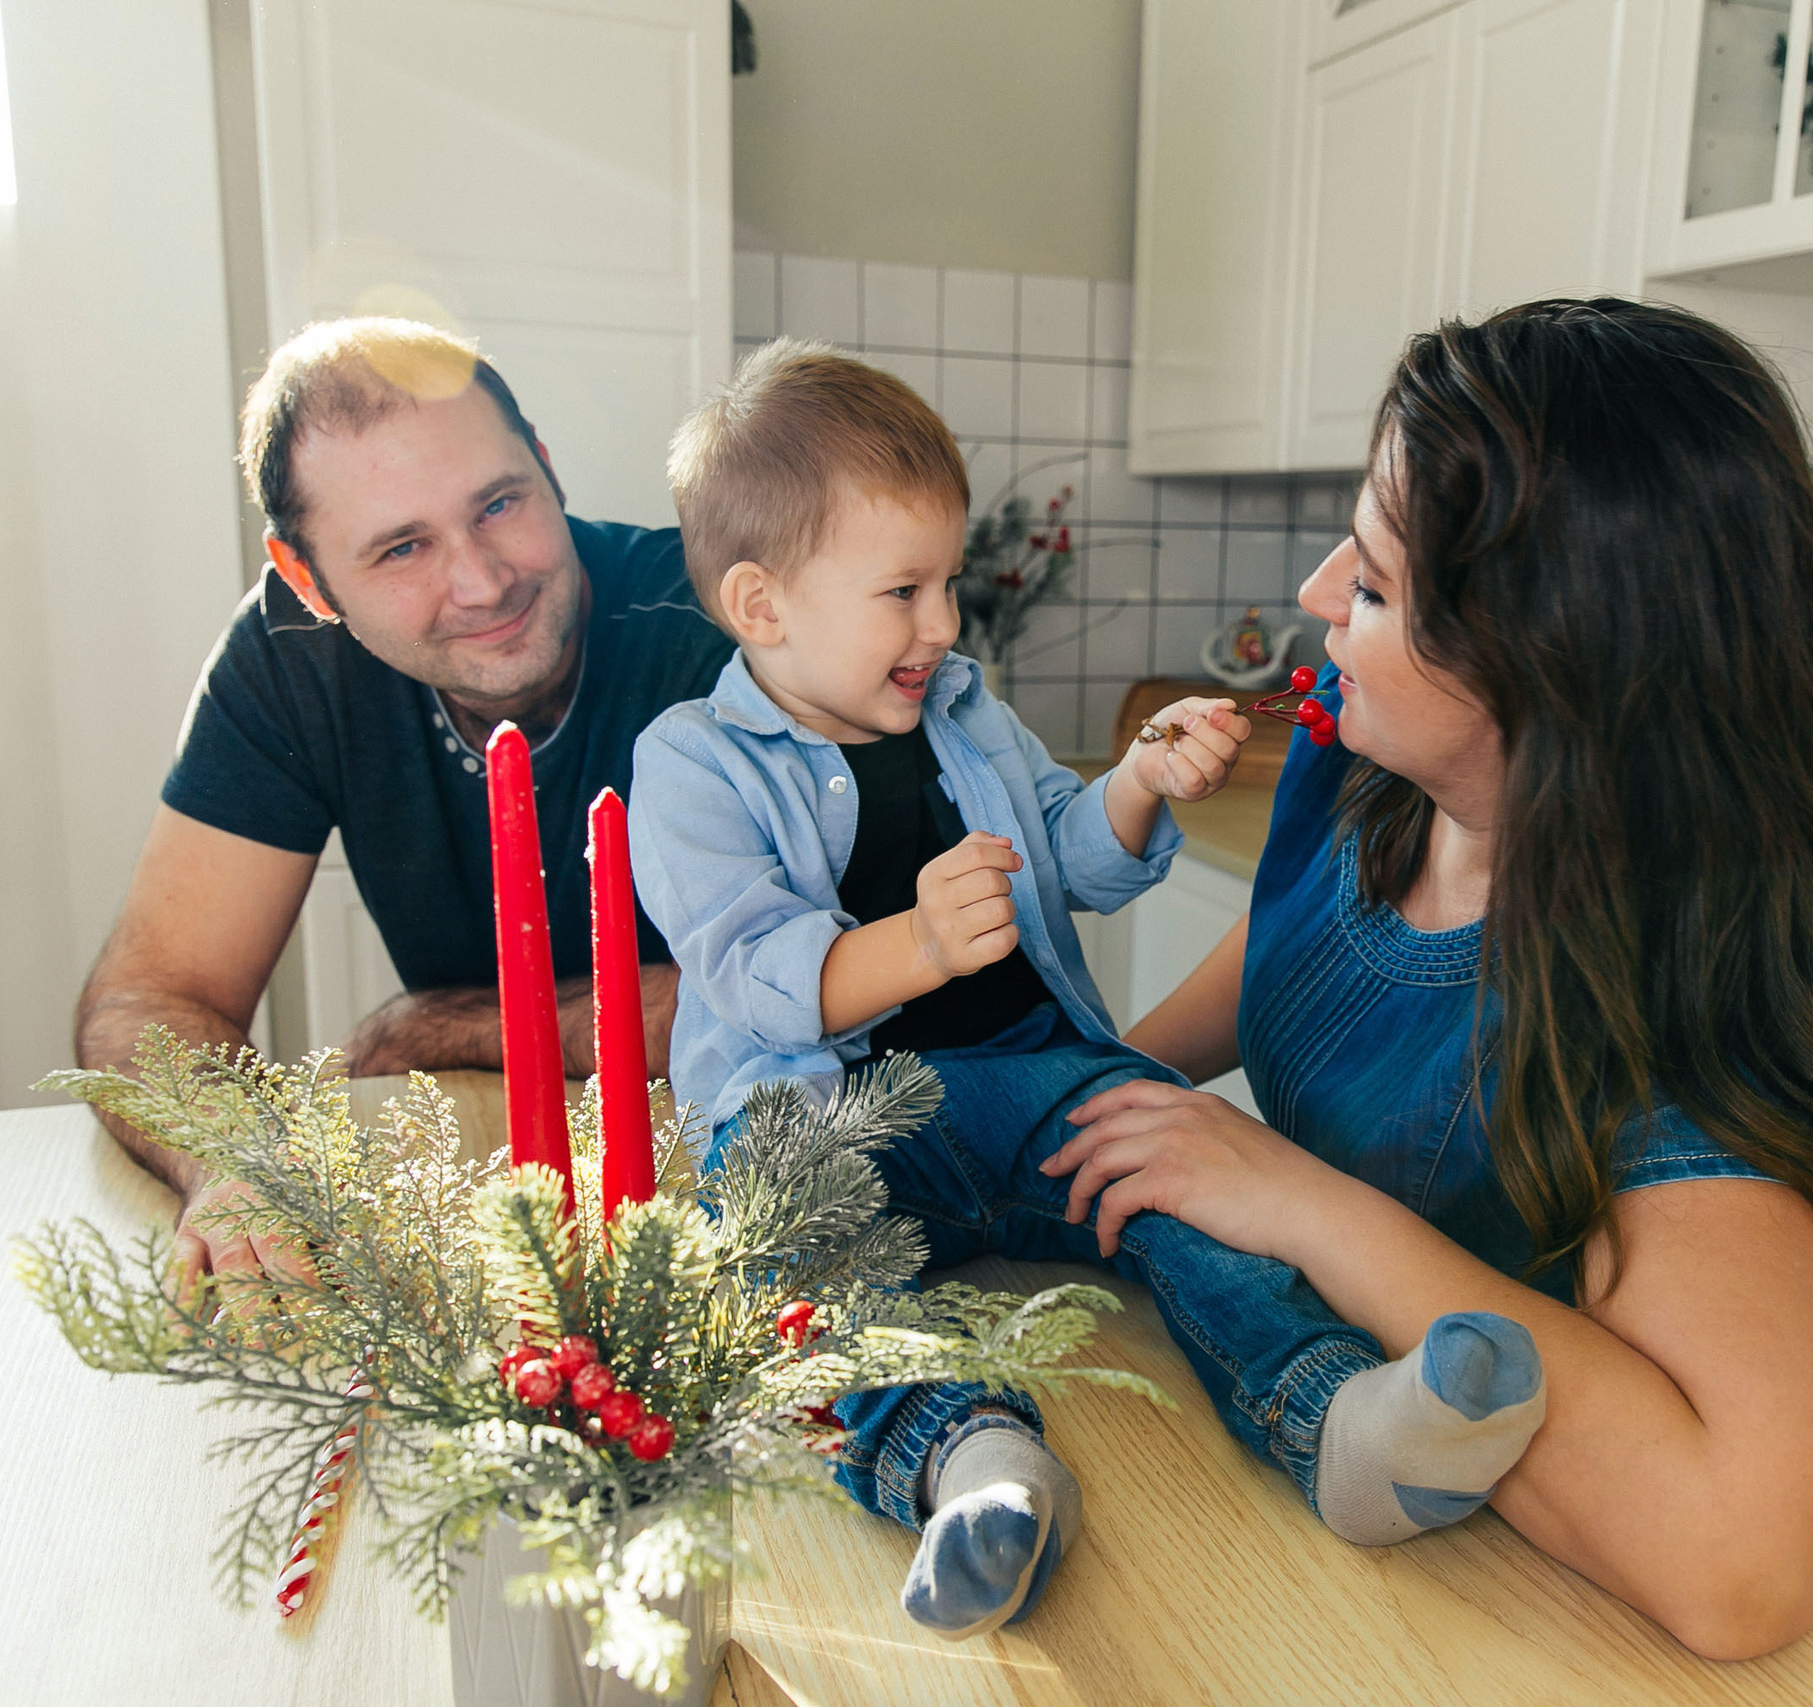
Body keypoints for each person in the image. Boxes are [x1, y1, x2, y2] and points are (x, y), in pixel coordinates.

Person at [1036, 300, 1813, 1659]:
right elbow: (1306, 944)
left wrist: (1288, 1194)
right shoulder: (1366, 760)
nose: (1320, 592)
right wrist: (1108, 1086)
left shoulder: (1676, 1016)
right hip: (1271, 1475)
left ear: (1556, 661)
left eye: (1384, 586)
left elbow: (1747, 1568)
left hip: (1490, 1597)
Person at [630, 341, 1550, 1642]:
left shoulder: (962, 709)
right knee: (773, 1257)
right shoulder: (694, 762)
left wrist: (1134, 783)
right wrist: (917, 944)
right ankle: (978, 1466)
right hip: (824, 1118)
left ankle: (1333, 1414)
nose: (944, 624)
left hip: (1021, 1079)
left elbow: (1065, 853)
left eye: (947, 581)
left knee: (1180, 1161)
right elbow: (750, 969)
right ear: (762, 604)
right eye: (904, 589)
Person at [75, 318, 732, 1291]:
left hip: (749, 1194)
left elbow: (820, 983)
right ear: (308, 579)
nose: (482, 580)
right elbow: (149, 1000)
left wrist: (429, 1029)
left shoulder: (723, 617)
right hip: (490, 1216)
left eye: (501, 503)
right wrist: (239, 1164)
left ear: (545, 466)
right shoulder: (285, 659)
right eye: (401, 549)